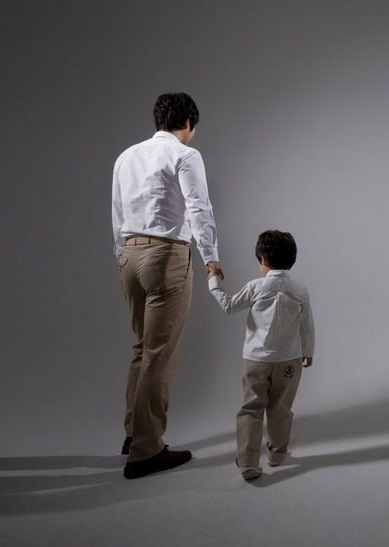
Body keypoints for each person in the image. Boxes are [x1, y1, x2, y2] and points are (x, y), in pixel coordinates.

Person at [112, 92, 224, 479]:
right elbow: (199, 207)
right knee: (160, 353)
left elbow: (117, 212)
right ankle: (146, 450)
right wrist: (211, 256)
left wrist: (121, 259)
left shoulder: (126, 156)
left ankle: (134, 433)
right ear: (189, 123)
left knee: (143, 348)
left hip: (130, 255)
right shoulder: (185, 154)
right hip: (166, 256)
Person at [208, 230, 314, 480]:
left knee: (251, 408)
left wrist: (213, 282)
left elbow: (229, 305)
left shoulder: (256, 287)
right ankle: (276, 454)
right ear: (291, 259)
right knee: (281, 409)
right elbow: (306, 325)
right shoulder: (300, 290)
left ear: (263, 259)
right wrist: (308, 351)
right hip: (289, 361)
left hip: (256, 360)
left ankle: (248, 462)